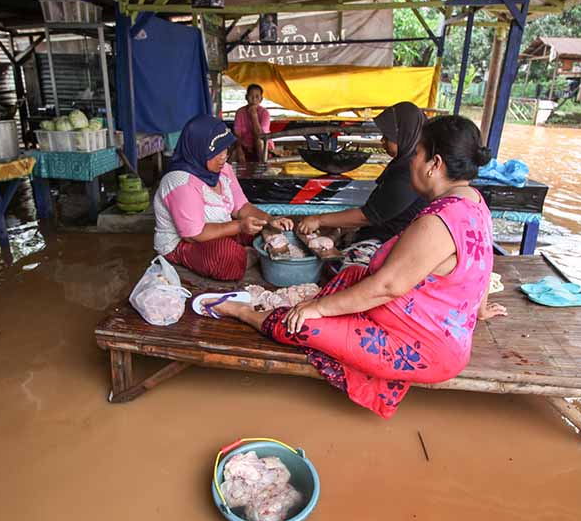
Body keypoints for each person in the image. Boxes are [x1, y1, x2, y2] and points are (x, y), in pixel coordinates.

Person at [213, 115, 507, 418]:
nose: (411, 161)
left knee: (299, 325)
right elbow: (484, 259)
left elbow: (387, 286)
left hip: (422, 347)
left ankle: (241, 311)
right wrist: (479, 309)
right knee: (352, 274)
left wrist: (319, 309)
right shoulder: (473, 201)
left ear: (435, 163)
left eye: (417, 153)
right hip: (435, 329)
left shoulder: (437, 222)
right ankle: (315, 311)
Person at [153, 115, 293, 281]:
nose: (223, 157)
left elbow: (242, 208)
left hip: (220, 230)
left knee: (266, 229)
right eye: (215, 152)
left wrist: (270, 220)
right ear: (198, 148)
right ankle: (249, 254)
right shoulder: (180, 181)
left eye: (225, 149)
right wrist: (240, 227)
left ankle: (248, 251)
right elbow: (193, 235)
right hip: (184, 243)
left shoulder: (223, 169)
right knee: (227, 256)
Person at [297, 102, 428, 249]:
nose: (382, 140)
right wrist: (340, 227)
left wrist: (319, 220)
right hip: (383, 234)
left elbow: (368, 216)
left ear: (405, 135)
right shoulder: (405, 162)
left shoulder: (409, 171)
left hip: (391, 244)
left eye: (388, 136)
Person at [233, 83, 273, 163]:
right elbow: (237, 134)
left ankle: (262, 165)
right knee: (233, 151)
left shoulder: (264, 113)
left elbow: (260, 135)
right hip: (245, 144)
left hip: (262, 145)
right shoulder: (240, 112)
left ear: (261, 99)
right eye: (251, 96)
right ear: (246, 97)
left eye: (257, 96)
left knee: (259, 140)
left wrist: (254, 115)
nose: (254, 99)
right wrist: (239, 150)